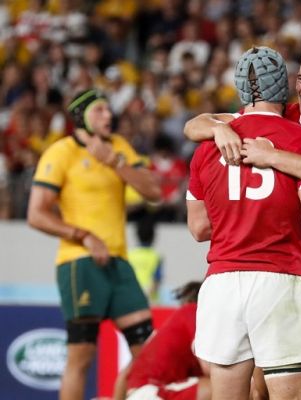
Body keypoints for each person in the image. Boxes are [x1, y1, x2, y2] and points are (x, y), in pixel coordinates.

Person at [184, 25, 301, 400]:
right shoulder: (287, 115)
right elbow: (195, 124)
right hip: (285, 270)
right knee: (264, 390)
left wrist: (272, 156)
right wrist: (220, 130)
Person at [27, 89, 161, 400]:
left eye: (108, 110)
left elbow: (154, 191)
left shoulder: (119, 147)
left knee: (148, 352)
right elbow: (36, 214)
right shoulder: (61, 152)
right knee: (81, 356)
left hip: (119, 262)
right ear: (81, 117)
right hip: (79, 262)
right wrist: (84, 236)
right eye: (99, 110)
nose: (108, 116)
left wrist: (115, 162)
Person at [123, 281, 211, 400]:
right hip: (151, 393)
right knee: (225, 384)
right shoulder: (194, 312)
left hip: (141, 392)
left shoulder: (167, 330)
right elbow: (208, 366)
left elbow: (126, 373)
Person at [128, 216, 163, 303]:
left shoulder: (130, 254)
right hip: (149, 299)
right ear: (153, 236)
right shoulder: (156, 256)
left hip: (132, 296)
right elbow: (157, 280)